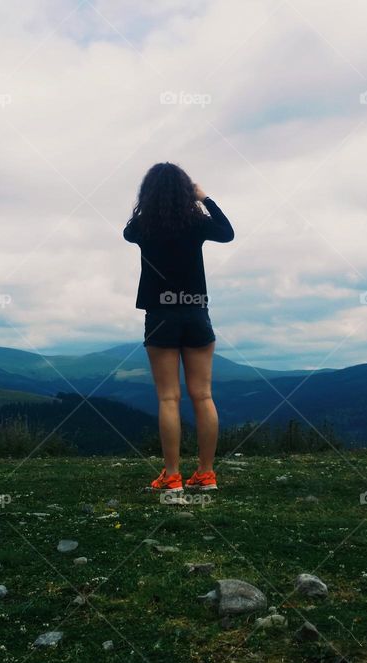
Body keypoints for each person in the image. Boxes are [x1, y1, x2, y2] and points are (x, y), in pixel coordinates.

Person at [124, 162, 234, 492]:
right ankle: (206, 474)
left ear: (149, 193)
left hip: (160, 316)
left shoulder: (144, 225)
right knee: (203, 396)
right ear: (187, 191)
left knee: (169, 399)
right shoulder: (196, 223)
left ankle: (172, 477)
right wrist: (204, 198)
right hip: (196, 312)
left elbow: (127, 232)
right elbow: (227, 232)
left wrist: (147, 202)